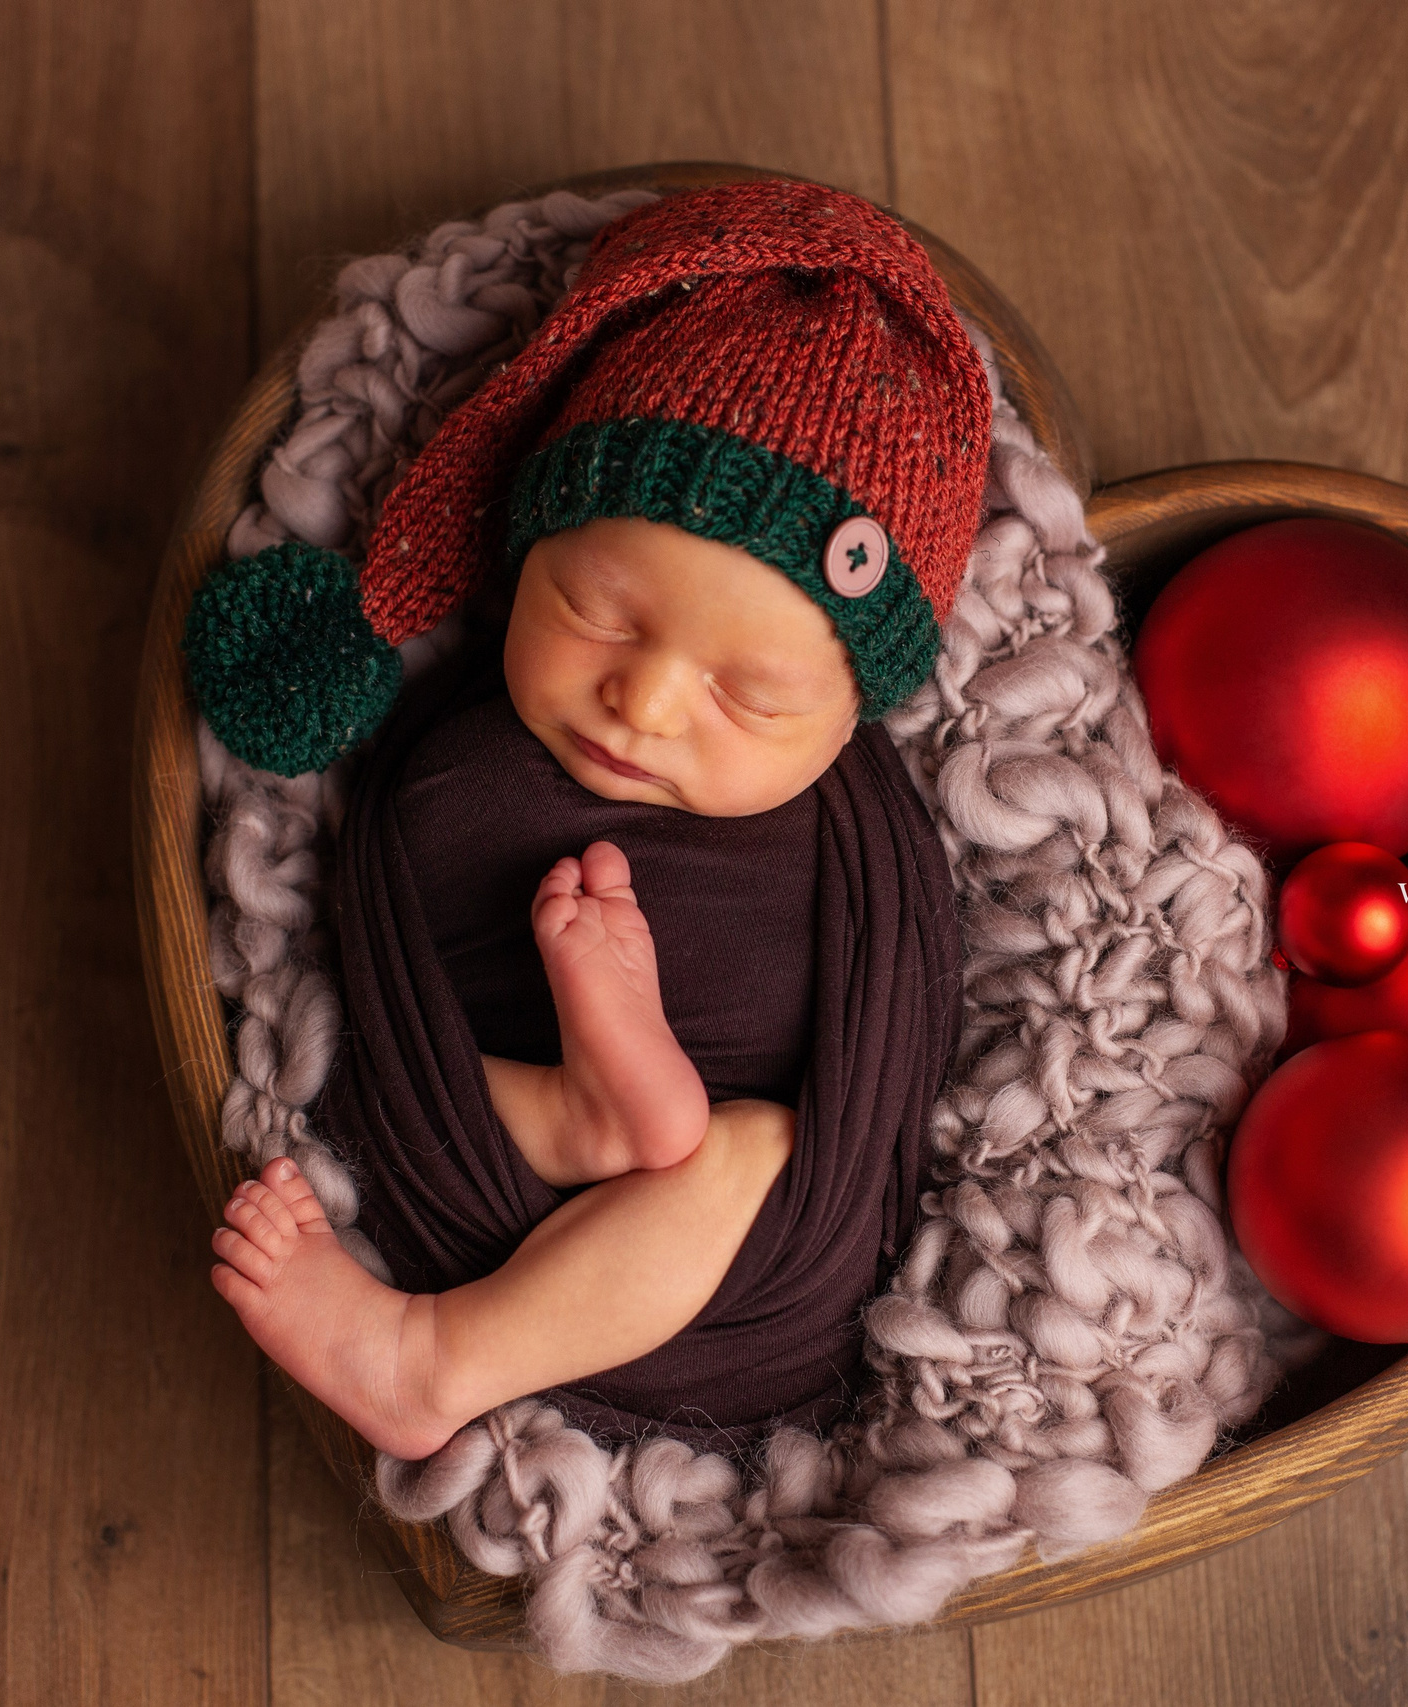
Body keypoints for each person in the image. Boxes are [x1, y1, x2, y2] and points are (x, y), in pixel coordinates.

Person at [186, 179, 992, 1459]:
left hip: (729, 1258)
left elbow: (904, 1022)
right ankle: (583, 1111)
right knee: (365, 1072)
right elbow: (362, 988)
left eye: (750, 695)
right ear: (525, 552)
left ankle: (432, 1355)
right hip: (476, 1122)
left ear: (856, 722)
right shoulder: (450, 731)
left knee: (749, 1155)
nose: (645, 700)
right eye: (599, 615)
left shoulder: (856, 825)